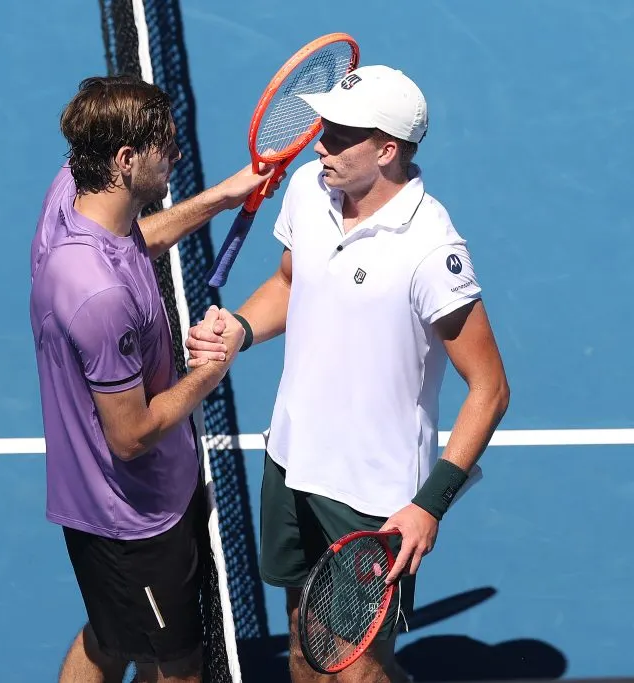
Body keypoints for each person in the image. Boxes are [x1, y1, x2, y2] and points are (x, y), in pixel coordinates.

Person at [186, 65, 511, 682]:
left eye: (339, 134)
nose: (319, 143)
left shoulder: (430, 250)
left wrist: (428, 506)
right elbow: (290, 280)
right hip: (290, 458)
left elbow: (491, 389)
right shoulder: (311, 188)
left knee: (358, 667)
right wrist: (240, 330)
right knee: (307, 645)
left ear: (387, 150)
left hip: (372, 495)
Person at [29, 74, 282, 683]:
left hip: (137, 497)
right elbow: (133, 434)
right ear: (124, 159)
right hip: (130, 516)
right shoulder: (100, 297)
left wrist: (223, 196)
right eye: (165, 145)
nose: (175, 153)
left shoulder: (72, 196)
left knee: (111, 640)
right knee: (177, 667)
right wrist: (211, 370)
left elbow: (135, 240)